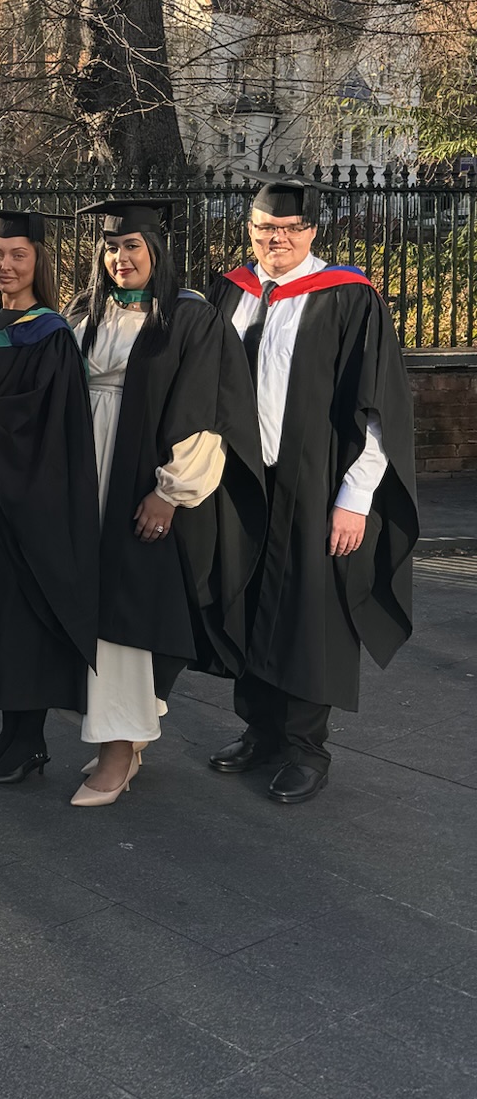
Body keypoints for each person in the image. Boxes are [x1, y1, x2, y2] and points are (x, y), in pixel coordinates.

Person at [206, 179, 418, 804]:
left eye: (289, 229)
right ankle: (260, 729)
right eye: (265, 229)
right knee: (246, 600)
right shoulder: (231, 291)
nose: (276, 240)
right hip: (242, 478)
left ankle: (306, 748)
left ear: (313, 231)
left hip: (315, 480)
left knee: (309, 612)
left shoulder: (348, 298)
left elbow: (379, 408)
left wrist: (354, 497)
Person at [64, 202, 264, 807]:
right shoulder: (85, 312)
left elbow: (207, 409)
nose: (120, 259)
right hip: (84, 472)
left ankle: (118, 748)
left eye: (132, 247)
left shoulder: (187, 317)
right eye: (111, 248)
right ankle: (128, 724)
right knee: (94, 605)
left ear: (157, 249)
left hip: (139, 478)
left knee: (124, 613)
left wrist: (168, 492)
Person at [0, 211, 100, 784]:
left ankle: (29, 740)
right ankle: (9, 737)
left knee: (24, 614)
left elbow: (55, 417)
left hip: (31, 500)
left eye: (17, 255)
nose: (4, 265)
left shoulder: (50, 332)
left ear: (38, 261)